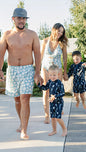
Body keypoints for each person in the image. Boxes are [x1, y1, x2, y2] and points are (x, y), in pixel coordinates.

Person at [0, 8, 43, 140]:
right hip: (12, 70)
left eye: (24, 18)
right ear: (13, 19)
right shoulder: (7, 34)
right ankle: (22, 122)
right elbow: (1, 54)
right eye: (19, 18)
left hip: (27, 70)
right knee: (17, 100)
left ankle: (24, 129)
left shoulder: (32, 34)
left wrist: (37, 73)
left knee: (25, 99)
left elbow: (37, 54)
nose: (22, 21)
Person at [41, 23, 68, 124]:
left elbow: (65, 59)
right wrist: (37, 73)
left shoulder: (62, 44)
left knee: (56, 91)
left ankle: (58, 109)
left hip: (57, 70)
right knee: (46, 91)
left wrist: (65, 73)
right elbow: (40, 56)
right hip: (46, 68)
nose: (60, 33)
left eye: (62, 32)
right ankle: (47, 115)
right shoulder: (45, 41)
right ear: (54, 29)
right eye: (59, 31)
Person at [38, 64, 67, 136]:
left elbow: (63, 93)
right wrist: (39, 84)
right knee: (53, 117)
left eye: (54, 75)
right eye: (51, 75)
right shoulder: (49, 82)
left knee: (58, 118)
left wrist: (56, 96)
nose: (52, 77)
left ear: (58, 74)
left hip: (59, 102)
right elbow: (45, 88)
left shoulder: (59, 83)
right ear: (48, 74)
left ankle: (64, 129)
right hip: (52, 102)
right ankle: (54, 130)